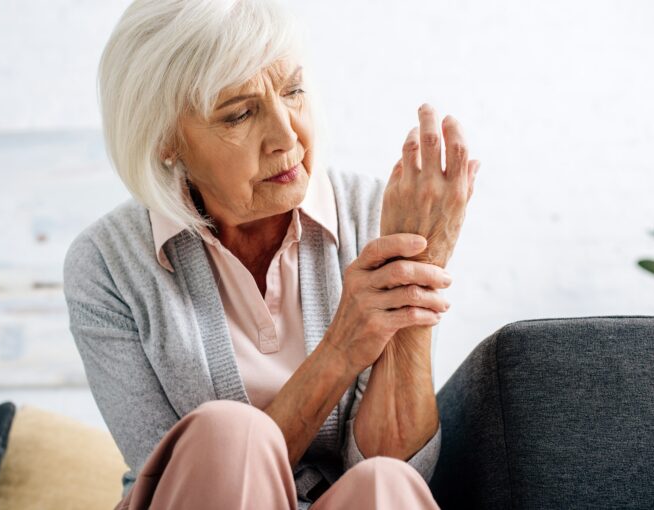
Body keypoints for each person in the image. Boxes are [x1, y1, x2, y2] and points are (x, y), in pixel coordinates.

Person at [62, 0, 479, 508]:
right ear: (166, 140)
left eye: (293, 91)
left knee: (384, 484)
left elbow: (396, 466)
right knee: (227, 434)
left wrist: (416, 282)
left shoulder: (372, 213)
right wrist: (342, 347)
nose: (288, 137)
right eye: (239, 113)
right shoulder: (106, 265)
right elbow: (180, 480)